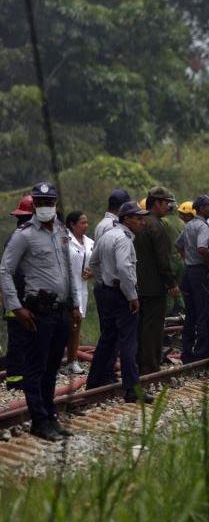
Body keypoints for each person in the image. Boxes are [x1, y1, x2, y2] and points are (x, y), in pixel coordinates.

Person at [0, 182, 81, 441]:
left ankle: (50, 417)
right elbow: (5, 271)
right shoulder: (24, 235)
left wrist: (75, 304)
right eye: (41, 203)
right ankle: (39, 420)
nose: (45, 207)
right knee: (35, 369)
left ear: (56, 204)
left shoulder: (61, 232)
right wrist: (17, 307)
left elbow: (69, 272)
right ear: (34, 205)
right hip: (38, 312)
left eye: (49, 202)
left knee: (52, 367)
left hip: (61, 312)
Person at [86, 202, 153, 403]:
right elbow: (124, 269)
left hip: (107, 292)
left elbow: (93, 263)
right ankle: (132, 389)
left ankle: (95, 381)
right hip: (122, 295)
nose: (143, 222)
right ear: (126, 219)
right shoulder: (124, 240)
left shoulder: (107, 235)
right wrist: (132, 296)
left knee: (107, 338)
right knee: (128, 341)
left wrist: (104, 280)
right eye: (138, 218)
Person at [134, 187, 179, 374]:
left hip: (139, 285)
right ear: (157, 203)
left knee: (141, 327)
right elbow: (162, 259)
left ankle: (139, 363)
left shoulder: (141, 222)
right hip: (154, 287)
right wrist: (172, 283)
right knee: (153, 329)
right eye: (166, 203)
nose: (168, 207)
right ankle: (150, 367)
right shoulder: (157, 226)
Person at [176, 195, 209, 362]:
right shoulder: (202, 226)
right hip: (200, 272)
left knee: (191, 313)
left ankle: (186, 351)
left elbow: (178, 245)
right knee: (203, 311)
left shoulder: (189, 225)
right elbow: (202, 248)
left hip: (188, 272)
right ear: (201, 209)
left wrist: (187, 258)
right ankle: (202, 352)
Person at [3, 195, 34, 390]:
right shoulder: (20, 239)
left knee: (22, 339)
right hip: (18, 299)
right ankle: (15, 379)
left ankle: (21, 375)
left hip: (15, 298)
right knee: (19, 340)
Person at [65, 211, 95, 375]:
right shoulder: (64, 241)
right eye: (82, 223)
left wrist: (93, 273)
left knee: (76, 326)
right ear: (72, 224)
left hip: (82, 290)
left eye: (87, 223)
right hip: (67, 290)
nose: (86, 226)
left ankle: (72, 361)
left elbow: (98, 263)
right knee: (65, 326)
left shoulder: (90, 242)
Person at [162, 201, 188, 314]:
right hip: (182, 260)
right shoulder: (182, 223)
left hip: (170, 261)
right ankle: (183, 311)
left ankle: (167, 316)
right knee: (179, 289)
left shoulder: (163, 222)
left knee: (169, 289)